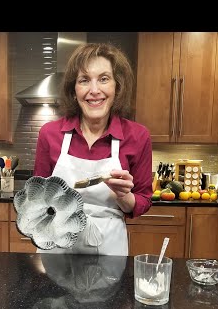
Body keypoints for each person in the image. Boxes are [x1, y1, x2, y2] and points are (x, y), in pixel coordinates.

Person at [33, 43, 153, 256]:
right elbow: (38, 197)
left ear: (118, 85)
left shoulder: (138, 136)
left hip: (110, 252)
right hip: (57, 249)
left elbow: (143, 200)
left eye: (104, 79)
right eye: (84, 80)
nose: (94, 90)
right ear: (74, 89)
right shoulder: (49, 134)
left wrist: (124, 196)